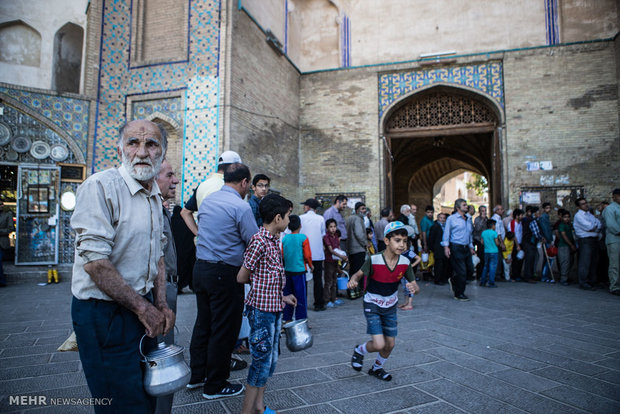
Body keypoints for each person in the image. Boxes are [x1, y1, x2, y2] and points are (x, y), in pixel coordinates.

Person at [71, 119, 175, 413]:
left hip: (138, 306)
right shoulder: (100, 187)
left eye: (151, 144)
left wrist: (162, 303)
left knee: (144, 395)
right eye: (133, 143)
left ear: (162, 152)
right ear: (120, 149)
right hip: (103, 312)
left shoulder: (153, 193)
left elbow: (158, 254)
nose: (142, 152)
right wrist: (144, 309)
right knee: (120, 402)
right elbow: (95, 263)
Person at [188, 163, 258, 399]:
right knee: (224, 329)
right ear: (245, 182)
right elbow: (253, 241)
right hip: (224, 273)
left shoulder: (208, 201)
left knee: (203, 324)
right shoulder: (240, 206)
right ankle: (215, 384)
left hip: (201, 269)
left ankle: (197, 376)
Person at [236, 193, 297, 414]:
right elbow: (242, 277)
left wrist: (280, 296)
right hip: (261, 312)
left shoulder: (274, 241)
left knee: (270, 360)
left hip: (274, 308)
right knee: (261, 362)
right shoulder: (259, 241)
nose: (290, 221)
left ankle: (259, 407)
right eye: (289, 216)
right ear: (278, 218)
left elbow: (267, 278)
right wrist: (265, 289)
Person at [348, 221, 417, 381]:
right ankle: (360, 350)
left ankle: (376, 368)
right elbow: (358, 274)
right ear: (387, 241)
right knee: (379, 344)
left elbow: (415, 286)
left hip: (390, 305)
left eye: (405, 241)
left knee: (390, 344)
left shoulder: (405, 263)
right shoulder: (374, 260)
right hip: (372, 303)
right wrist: (353, 280)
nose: (402, 245)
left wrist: (413, 287)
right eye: (397, 240)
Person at [154, 159, 180, 414]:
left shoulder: (160, 209)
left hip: (167, 290)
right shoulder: (148, 208)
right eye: (170, 175)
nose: (175, 181)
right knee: (162, 362)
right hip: (157, 295)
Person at [180, 150, 242, 236]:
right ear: (234, 168)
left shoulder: (202, 185)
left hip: (204, 244)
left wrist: (199, 234)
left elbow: (185, 212)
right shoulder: (230, 187)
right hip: (223, 243)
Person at [441, 198, 475, 301]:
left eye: (466, 205)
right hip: (456, 247)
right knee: (462, 271)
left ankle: (454, 280)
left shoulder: (468, 218)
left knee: (470, 270)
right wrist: (446, 247)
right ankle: (459, 293)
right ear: (458, 207)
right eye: (464, 205)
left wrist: (471, 246)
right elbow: (446, 233)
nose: (466, 207)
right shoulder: (451, 219)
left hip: (466, 248)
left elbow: (469, 234)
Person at [282, 215, 312, 321]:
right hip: (299, 271)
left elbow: (282, 255)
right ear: (300, 225)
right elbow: (307, 255)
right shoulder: (303, 238)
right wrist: (311, 266)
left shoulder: (284, 238)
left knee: (288, 295)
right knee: (301, 297)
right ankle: (301, 320)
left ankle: (287, 319)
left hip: (287, 271)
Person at [299, 198, 326, 311]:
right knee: (318, 279)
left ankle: (302, 304)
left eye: (305, 205)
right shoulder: (320, 218)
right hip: (318, 253)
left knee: (304, 279)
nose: (304, 207)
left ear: (309, 207)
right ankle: (318, 304)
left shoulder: (301, 218)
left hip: (304, 253)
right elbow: (322, 233)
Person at [573, 197, 602, 290]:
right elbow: (589, 227)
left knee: (594, 261)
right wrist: (594, 227)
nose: (586, 205)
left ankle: (592, 281)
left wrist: (595, 227)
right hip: (585, 240)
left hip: (594, 239)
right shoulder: (578, 216)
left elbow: (599, 224)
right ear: (578, 207)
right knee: (585, 262)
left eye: (586, 203)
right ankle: (583, 282)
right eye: (582, 204)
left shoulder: (589, 214)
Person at [171, 205, 195, 293]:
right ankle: (192, 285)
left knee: (179, 269)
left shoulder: (172, 222)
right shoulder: (186, 222)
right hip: (188, 249)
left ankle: (179, 287)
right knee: (189, 268)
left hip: (176, 250)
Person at [323, 218, 347, 308]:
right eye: (331, 227)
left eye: (334, 226)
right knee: (328, 282)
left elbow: (338, 247)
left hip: (336, 261)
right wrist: (341, 256)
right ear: (327, 228)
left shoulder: (336, 236)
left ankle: (333, 298)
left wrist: (344, 255)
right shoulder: (326, 237)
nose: (333, 228)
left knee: (334, 281)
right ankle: (327, 300)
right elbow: (331, 250)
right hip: (329, 261)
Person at [603, 189, 620, 296]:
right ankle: (615, 286)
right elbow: (611, 224)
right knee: (615, 264)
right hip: (614, 239)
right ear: (613, 197)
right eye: (618, 196)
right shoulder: (610, 209)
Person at [399, 229, 421, 310]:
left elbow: (418, 258)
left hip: (408, 273)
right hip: (402, 273)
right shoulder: (399, 253)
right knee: (405, 288)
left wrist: (412, 265)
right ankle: (406, 302)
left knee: (410, 287)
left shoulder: (409, 252)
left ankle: (410, 304)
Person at [346, 202, 368, 277]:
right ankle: (357, 288)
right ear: (357, 211)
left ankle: (351, 287)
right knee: (358, 271)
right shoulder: (358, 219)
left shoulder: (349, 218)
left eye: (365, 208)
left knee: (352, 270)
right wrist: (365, 243)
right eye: (362, 209)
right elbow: (359, 234)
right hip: (358, 249)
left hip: (351, 250)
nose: (364, 210)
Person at [429, 212, 450, 285]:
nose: (442, 219)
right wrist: (432, 248)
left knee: (444, 264)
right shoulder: (435, 226)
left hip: (443, 248)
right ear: (438, 218)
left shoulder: (445, 226)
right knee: (438, 265)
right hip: (438, 248)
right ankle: (437, 279)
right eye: (441, 218)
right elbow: (431, 238)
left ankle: (443, 278)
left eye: (444, 218)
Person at [557, 210, 577, 286]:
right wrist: (571, 245)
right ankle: (563, 279)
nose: (567, 219)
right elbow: (563, 236)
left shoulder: (569, 225)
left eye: (568, 217)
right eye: (565, 217)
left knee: (570, 262)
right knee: (565, 262)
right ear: (562, 218)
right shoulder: (561, 225)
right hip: (563, 246)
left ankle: (566, 277)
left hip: (569, 245)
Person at [480, 219, 500, 288]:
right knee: (492, 267)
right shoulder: (494, 233)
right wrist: (499, 243)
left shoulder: (483, 232)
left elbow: (482, 242)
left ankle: (483, 281)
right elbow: (497, 243)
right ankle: (491, 282)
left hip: (486, 251)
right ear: (493, 225)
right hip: (494, 251)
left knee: (485, 266)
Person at [539, 202, 555, 282]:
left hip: (548, 239)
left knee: (548, 258)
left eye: (549, 208)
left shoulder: (546, 217)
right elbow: (545, 229)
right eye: (547, 208)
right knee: (549, 259)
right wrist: (549, 239)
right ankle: (545, 276)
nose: (548, 209)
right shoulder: (543, 217)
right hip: (547, 240)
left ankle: (545, 275)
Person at [0, 199, 14, 287]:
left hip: (2, 242)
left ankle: (2, 281)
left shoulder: (7, 215)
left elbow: (10, 228)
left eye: (2, 204)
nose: (1, 206)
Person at [472, 205, 488, 279]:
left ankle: (485, 274)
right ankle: (479, 274)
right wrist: (482, 219)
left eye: (485, 211)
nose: (484, 212)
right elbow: (477, 229)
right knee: (480, 257)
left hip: (486, 241)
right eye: (482, 211)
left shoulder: (487, 219)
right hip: (478, 240)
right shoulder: (477, 219)